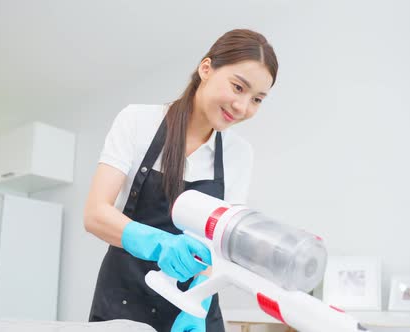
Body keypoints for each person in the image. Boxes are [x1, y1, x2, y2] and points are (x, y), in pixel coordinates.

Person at [84, 29, 278, 332]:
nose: (243, 107)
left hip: (193, 305)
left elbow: (222, 243)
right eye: (238, 87)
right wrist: (159, 245)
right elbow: (96, 214)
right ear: (206, 69)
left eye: (257, 99)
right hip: (126, 299)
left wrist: (198, 303)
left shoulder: (240, 154)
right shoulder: (137, 121)